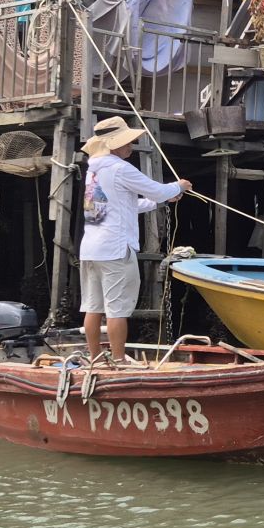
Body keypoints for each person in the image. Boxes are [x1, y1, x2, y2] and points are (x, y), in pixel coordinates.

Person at [77, 116, 192, 362]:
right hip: (116, 249)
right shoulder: (120, 168)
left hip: (91, 249)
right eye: (126, 142)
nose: (131, 146)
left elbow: (119, 205)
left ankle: (96, 359)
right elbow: (158, 190)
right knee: (117, 309)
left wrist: (158, 200)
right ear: (112, 144)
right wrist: (179, 186)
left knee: (93, 307)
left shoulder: (93, 170)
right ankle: (118, 361)